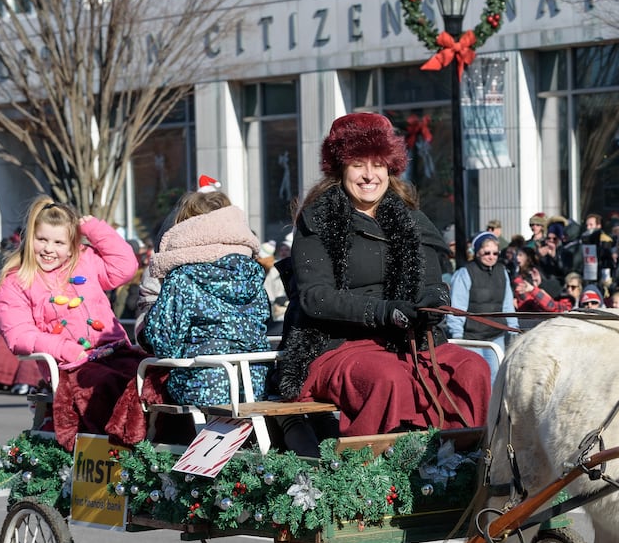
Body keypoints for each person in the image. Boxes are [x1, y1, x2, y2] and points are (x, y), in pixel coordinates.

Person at [274, 112, 490, 436]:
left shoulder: (412, 218)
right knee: (388, 376)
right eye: (358, 164)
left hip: (410, 342)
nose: (369, 175)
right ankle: (374, 477)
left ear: (390, 166)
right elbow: (314, 297)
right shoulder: (316, 218)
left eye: (377, 164)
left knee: (472, 368)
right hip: (339, 344)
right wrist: (382, 311)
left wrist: (434, 302)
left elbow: (433, 282)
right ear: (340, 168)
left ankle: (463, 463)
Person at [0, 197, 144, 448]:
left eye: (59, 242)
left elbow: (125, 267)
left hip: (114, 351)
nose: (49, 248)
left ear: (72, 246)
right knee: (103, 387)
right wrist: (64, 348)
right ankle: (112, 451)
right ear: (29, 239)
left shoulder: (85, 260)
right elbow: (19, 336)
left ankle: (154, 451)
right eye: (42, 240)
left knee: (150, 378)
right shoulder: (16, 282)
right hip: (71, 365)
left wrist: (94, 229)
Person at [137, 189, 272, 407]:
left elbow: (163, 342)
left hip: (202, 384)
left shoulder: (183, 277)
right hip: (254, 383)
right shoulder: (252, 273)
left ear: (184, 229)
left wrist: (146, 326)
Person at [447, 232, 517, 382]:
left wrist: (513, 329)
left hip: (495, 336)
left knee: (496, 378)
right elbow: (457, 308)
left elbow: (507, 305)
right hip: (472, 337)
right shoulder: (465, 273)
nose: (491, 256)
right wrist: (457, 336)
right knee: (475, 377)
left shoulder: (502, 272)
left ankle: (491, 407)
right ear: (477, 252)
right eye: (486, 252)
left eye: (495, 253)